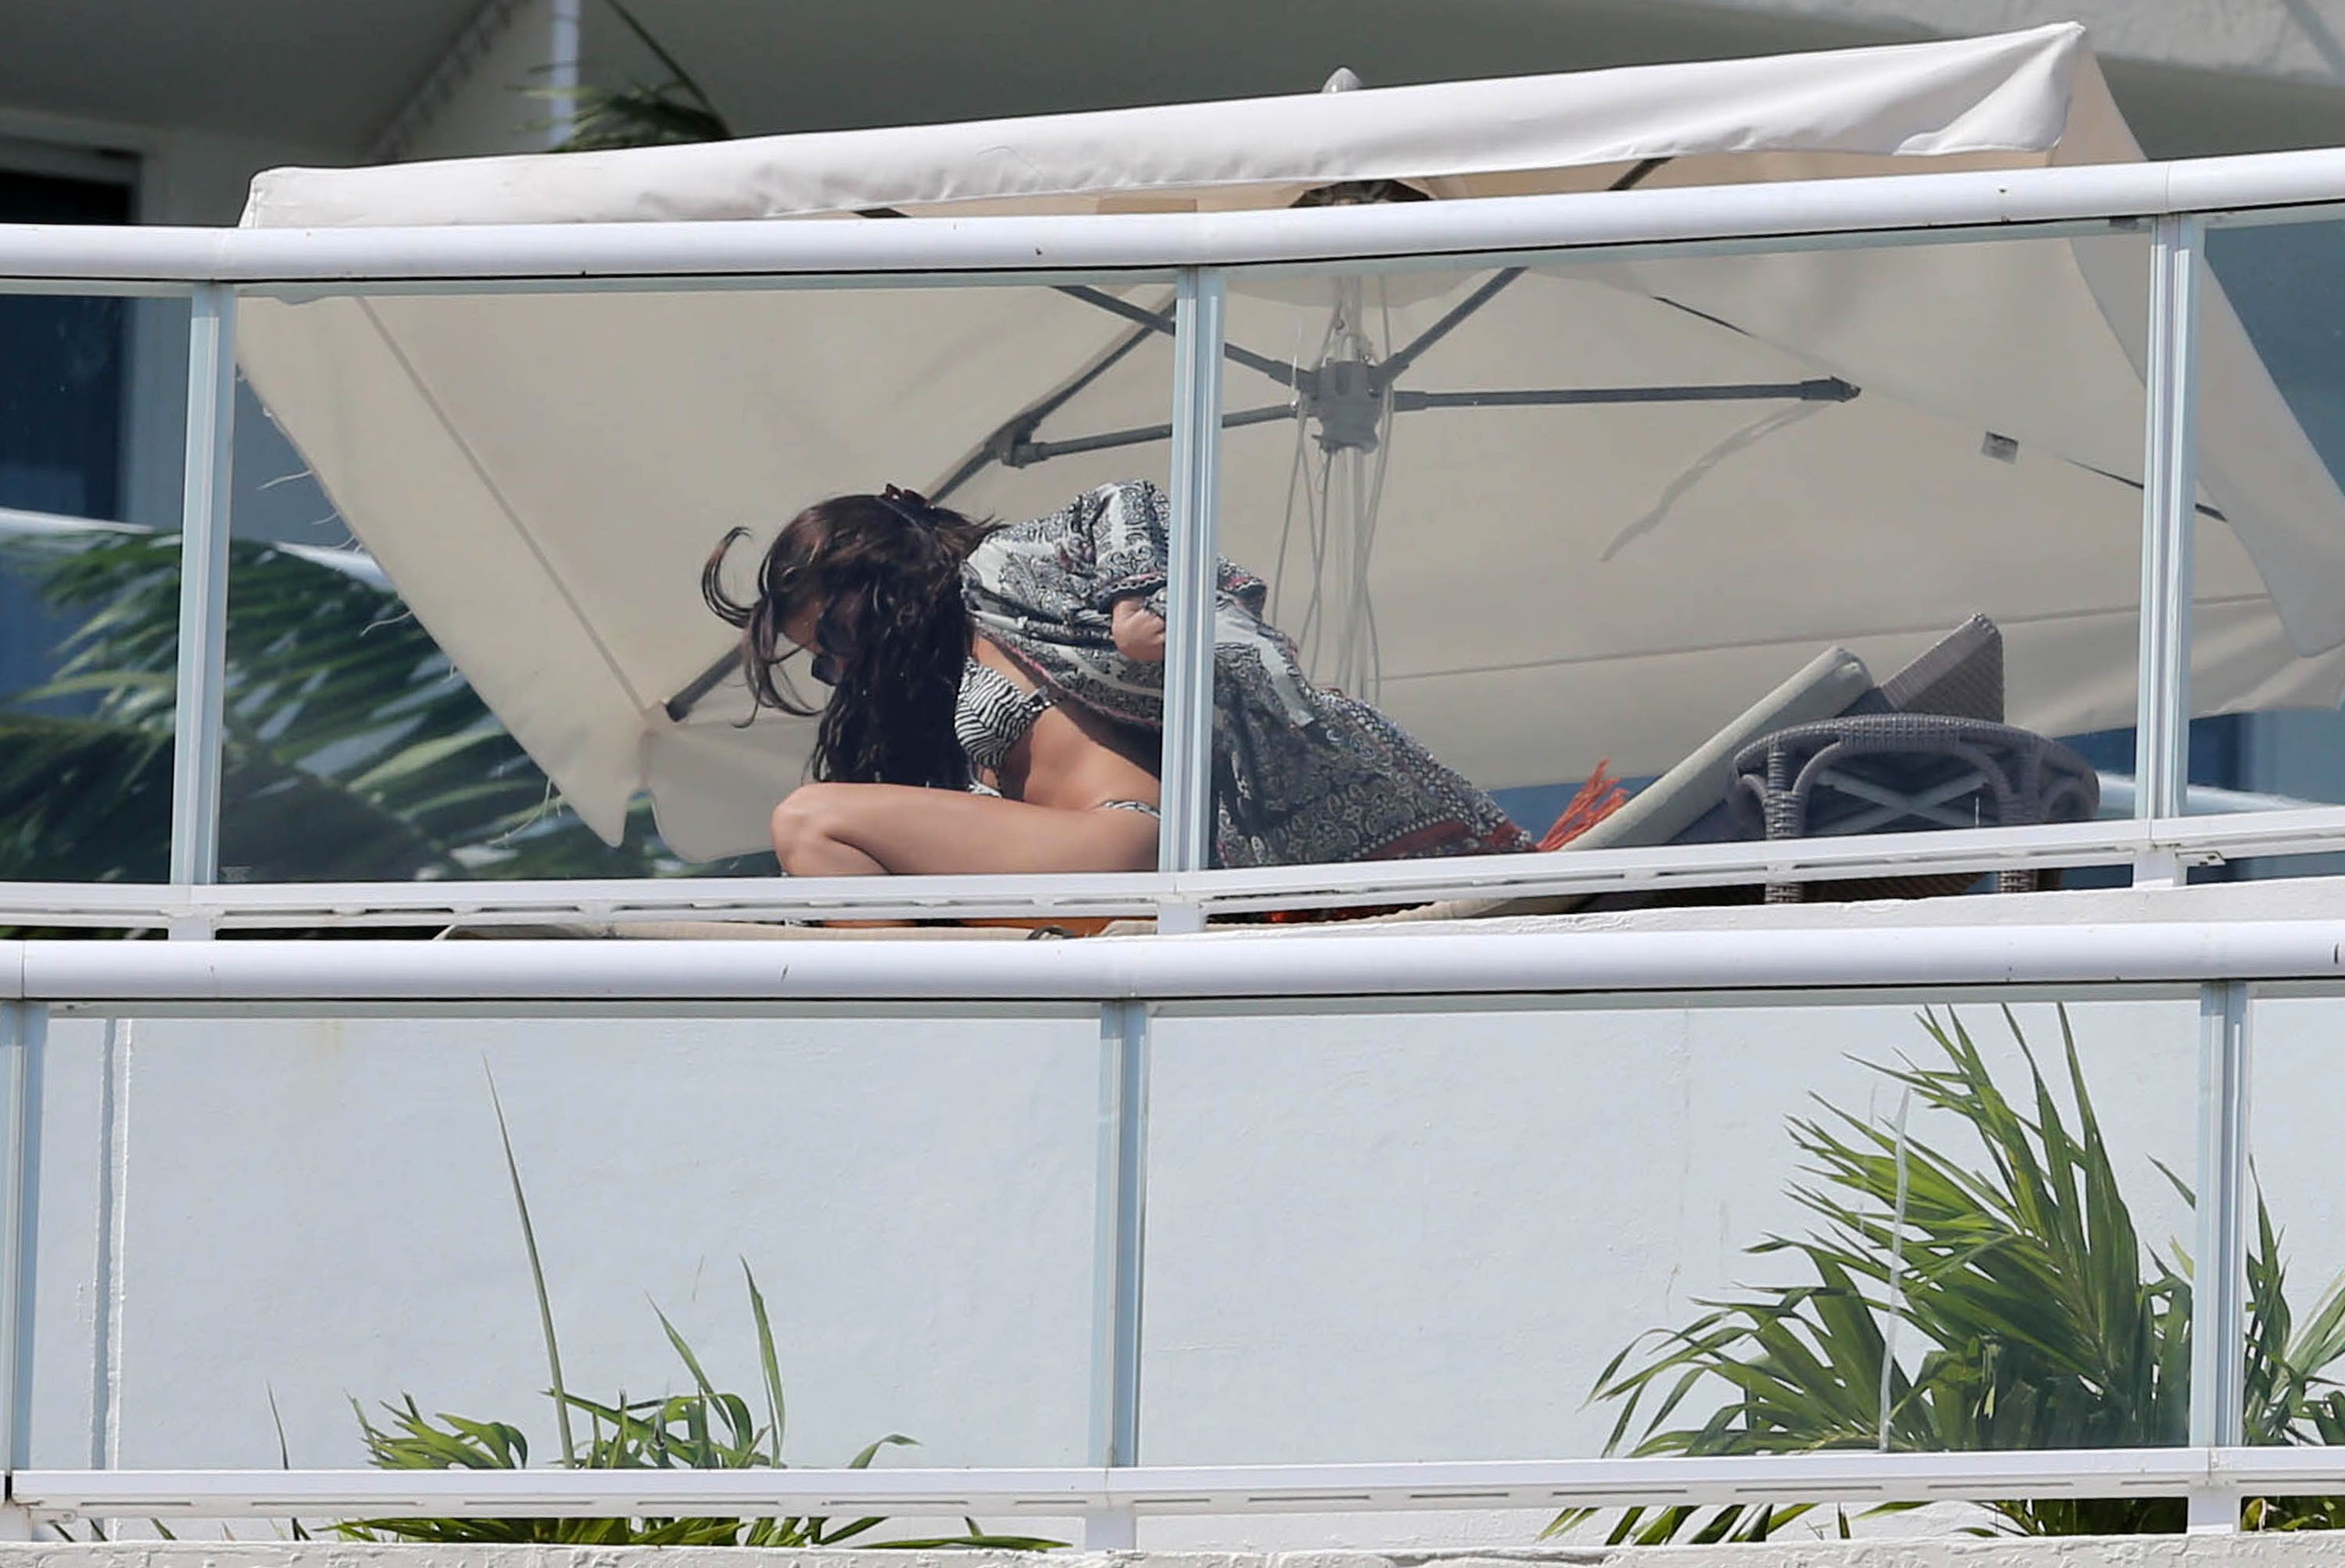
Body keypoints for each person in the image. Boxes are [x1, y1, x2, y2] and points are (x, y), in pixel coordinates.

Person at [702, 478, 1532, 877]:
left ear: (880, 579)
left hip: (1125, 839)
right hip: (1078, 870)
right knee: (831, 843)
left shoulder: (1000, 578)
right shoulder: (938, 681)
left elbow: (1122, 502)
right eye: (825, 663)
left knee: (811, 820)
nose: (844, 668)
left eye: (837, 635)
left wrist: (1138, 597)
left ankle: (916, 1037)